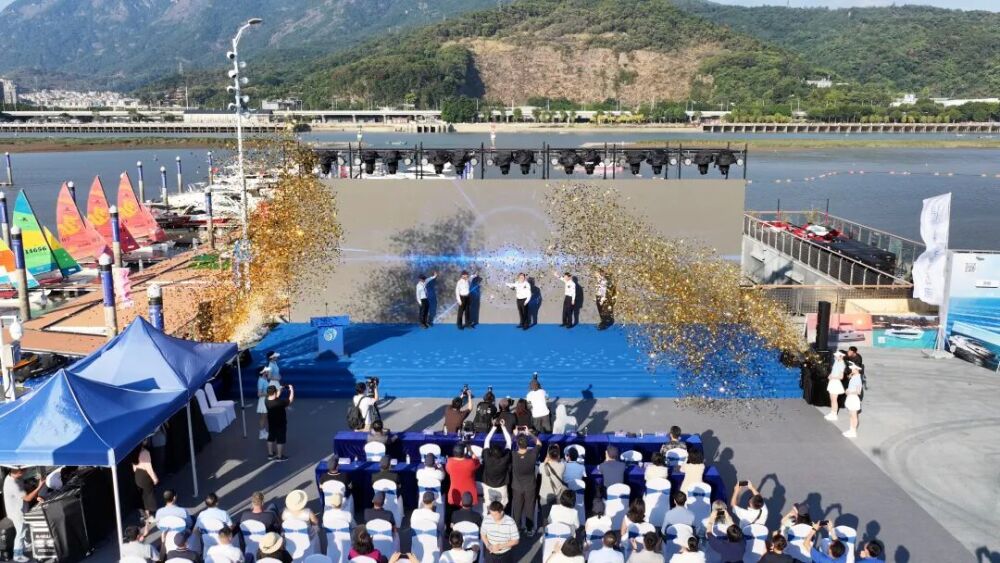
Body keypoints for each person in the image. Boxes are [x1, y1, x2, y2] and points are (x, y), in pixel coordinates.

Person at [3, 467, 45, 563]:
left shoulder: (15, 477)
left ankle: (26, 545)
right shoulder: (13, 484)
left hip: (21, 508)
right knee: (20, 533)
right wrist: (39, 486)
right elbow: (27, 498)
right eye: (25, 470)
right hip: (17, 512)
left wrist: (37, 497)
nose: (26, 472)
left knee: (25, 529)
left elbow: (26, 487)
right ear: (19, 472)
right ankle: (17, 555)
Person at [511, 430, 542, 534]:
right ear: (527, 444)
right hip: (530, 487)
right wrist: (530, 433)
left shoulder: (513, 455)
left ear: (517, 444)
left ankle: (516, 529)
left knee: (517, 508)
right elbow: (539, 443)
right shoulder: (532, 454)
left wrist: (514, 435)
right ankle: (529, 529)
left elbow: (508, 444)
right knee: (529, 508)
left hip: (517, 487)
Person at [482, 421, 513, 508]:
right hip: (501, 487)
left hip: (488, 486)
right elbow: (509, 441)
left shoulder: (487, 458)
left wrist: (494, 427)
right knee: (502, 507)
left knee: (489, 507)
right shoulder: (504, 459)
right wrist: (503, 427)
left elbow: (487, 440)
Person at [539, 444, 567, 526]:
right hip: (557, 494)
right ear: (558, 455)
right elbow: (560, 460)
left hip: (545, 494)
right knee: (557, 516)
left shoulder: (542, 466)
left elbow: (544, 464)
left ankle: (545, 530)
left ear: (548, 455)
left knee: (545, 516)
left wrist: (547, 458)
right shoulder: (562, 466)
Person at [265, 383, 294, 461]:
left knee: (271, 437)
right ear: (275, 392)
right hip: (281, 423)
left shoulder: (266, 400)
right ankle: (279, 456)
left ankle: (270, 454)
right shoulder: (280, 402)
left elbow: (275, 396)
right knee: (280, 440)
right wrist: (291, 390)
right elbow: (290, 400)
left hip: (271, 423)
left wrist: (279, 390)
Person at [132, 443, 159, 525]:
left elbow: (133, 466)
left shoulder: (133, 451)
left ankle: (144, 516)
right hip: (145, 475)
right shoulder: (145, 452)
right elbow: (149, 468)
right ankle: (151, 516)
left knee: (142, 496)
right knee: (149, 495)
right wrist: (155, 478)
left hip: (137, 475)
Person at [843, 362, 864, 438]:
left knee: (854, 416)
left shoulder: (858, 379)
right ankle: (851, 429)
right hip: (850, 397)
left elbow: (858, 392)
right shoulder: (854, 376)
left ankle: (853, 432)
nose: (851, 370)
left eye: (853, 369)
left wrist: (850, 392)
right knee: (851, 415)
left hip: (854, 398)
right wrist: (847, 390)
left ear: (857, 369)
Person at [825, 350, 847, 421]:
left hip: (836, 382)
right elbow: (833, 371)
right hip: (832, 381)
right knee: (832, 399)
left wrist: (833, 377)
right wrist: (830, 375)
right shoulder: (836, 361)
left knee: (834, 400)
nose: (835, 356)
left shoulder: (842, 364)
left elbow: (841, 377)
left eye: (837, 355)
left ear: (841, 356)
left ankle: (834, 415)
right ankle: (832, 412)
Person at [256, 368, 271, 440]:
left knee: (266, 417)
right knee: (263, 418)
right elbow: (259, 394)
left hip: (266, 400)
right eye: (266, 370)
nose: (268, 371)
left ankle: (264, 432)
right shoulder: (261, 381)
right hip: (263, 402)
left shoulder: (264, 379)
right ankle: (261, 434)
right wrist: (269, 393)